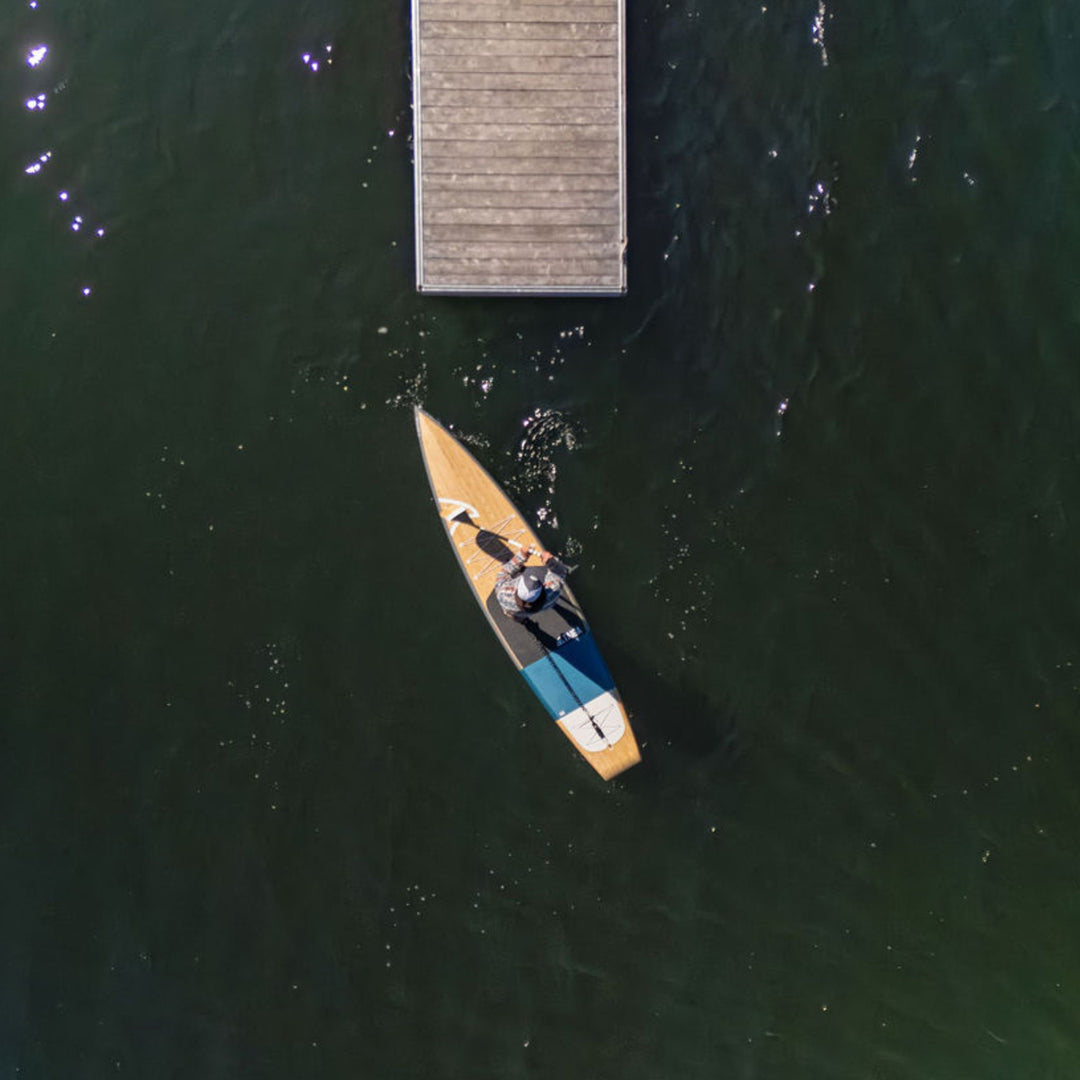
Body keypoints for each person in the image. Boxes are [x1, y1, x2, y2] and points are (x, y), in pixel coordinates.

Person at [494, 544, 567, 621]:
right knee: (549, 604)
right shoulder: (553, 591)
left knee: (511, 613)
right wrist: (551, 562)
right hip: (545, 605)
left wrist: (521, 556)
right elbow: (560, 572)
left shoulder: (503, 594)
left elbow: (503, 574)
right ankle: (521, 618)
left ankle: (519, 619)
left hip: (513, 610)